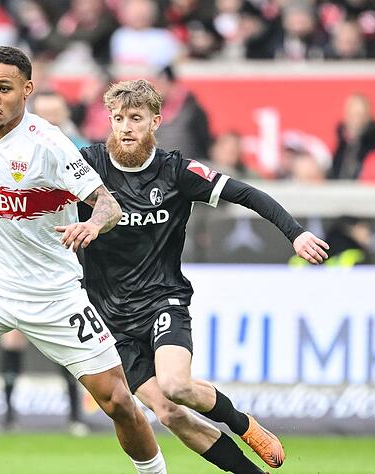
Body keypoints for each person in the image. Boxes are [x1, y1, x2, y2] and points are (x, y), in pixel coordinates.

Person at [0, 46, 167, 474]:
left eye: (4, 88)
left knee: (117, 401)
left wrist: (93, 226)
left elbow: (107, 205)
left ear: (27, 90)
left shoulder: (50, 145)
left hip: (53, 294)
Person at [77, 79, 329, 473]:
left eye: (136, 118)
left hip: (163, 300)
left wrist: (295, 234)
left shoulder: (176, 171)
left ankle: (242, 424)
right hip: (110, 317)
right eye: (118, 118)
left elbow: (247, 193)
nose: (125, 127)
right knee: (169, 413)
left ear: (155, 122)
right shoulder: (87, 165)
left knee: (177, 386)